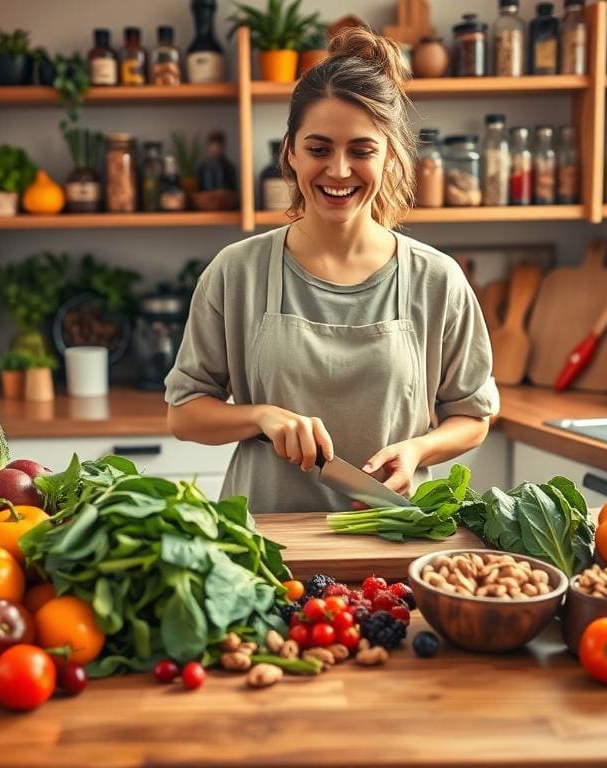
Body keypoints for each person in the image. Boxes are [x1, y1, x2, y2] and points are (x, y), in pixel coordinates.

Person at [165, 26, 499, 513]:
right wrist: (262, 417)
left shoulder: (437, 279)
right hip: (265, 544)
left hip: (389, 544)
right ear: (290, 153)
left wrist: (418, 449)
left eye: (361, 151)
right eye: (319, 149)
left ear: (389, 157)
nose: (339, 171)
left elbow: (473, 416)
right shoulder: (237, 271)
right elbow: (184, 415)